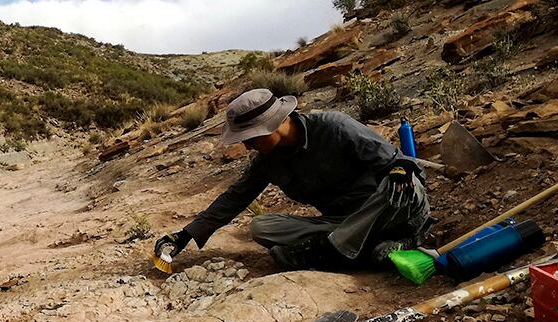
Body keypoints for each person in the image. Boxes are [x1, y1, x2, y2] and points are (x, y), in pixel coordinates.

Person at [155, 88, 431, 271]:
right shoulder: (267, 161)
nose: (248, 147)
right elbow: (234, 198)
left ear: (273, 124)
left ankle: (337, 252)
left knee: (399, 184)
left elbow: (399, 162)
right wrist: (185, 235)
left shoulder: (335, 126)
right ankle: (363, 250)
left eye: (250, 138)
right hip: (343, 222)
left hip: (390, 212)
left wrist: (400, 170)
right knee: (262, 226)